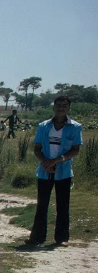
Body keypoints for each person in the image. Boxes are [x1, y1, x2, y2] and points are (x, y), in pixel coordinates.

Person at [26, 95, 83, 246]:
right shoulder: (44, 126)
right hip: (45, 171)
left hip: (63, 172)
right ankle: (37, 237)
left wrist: (57, 160)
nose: (61, 108)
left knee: (63, 205)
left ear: (69, 108)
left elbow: (75, 150)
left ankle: (62, 238)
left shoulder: (75, 127)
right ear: (54, 107)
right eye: (58, 105)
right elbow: (37, 149)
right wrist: (45, 163)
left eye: (64, 106)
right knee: (42, 205)